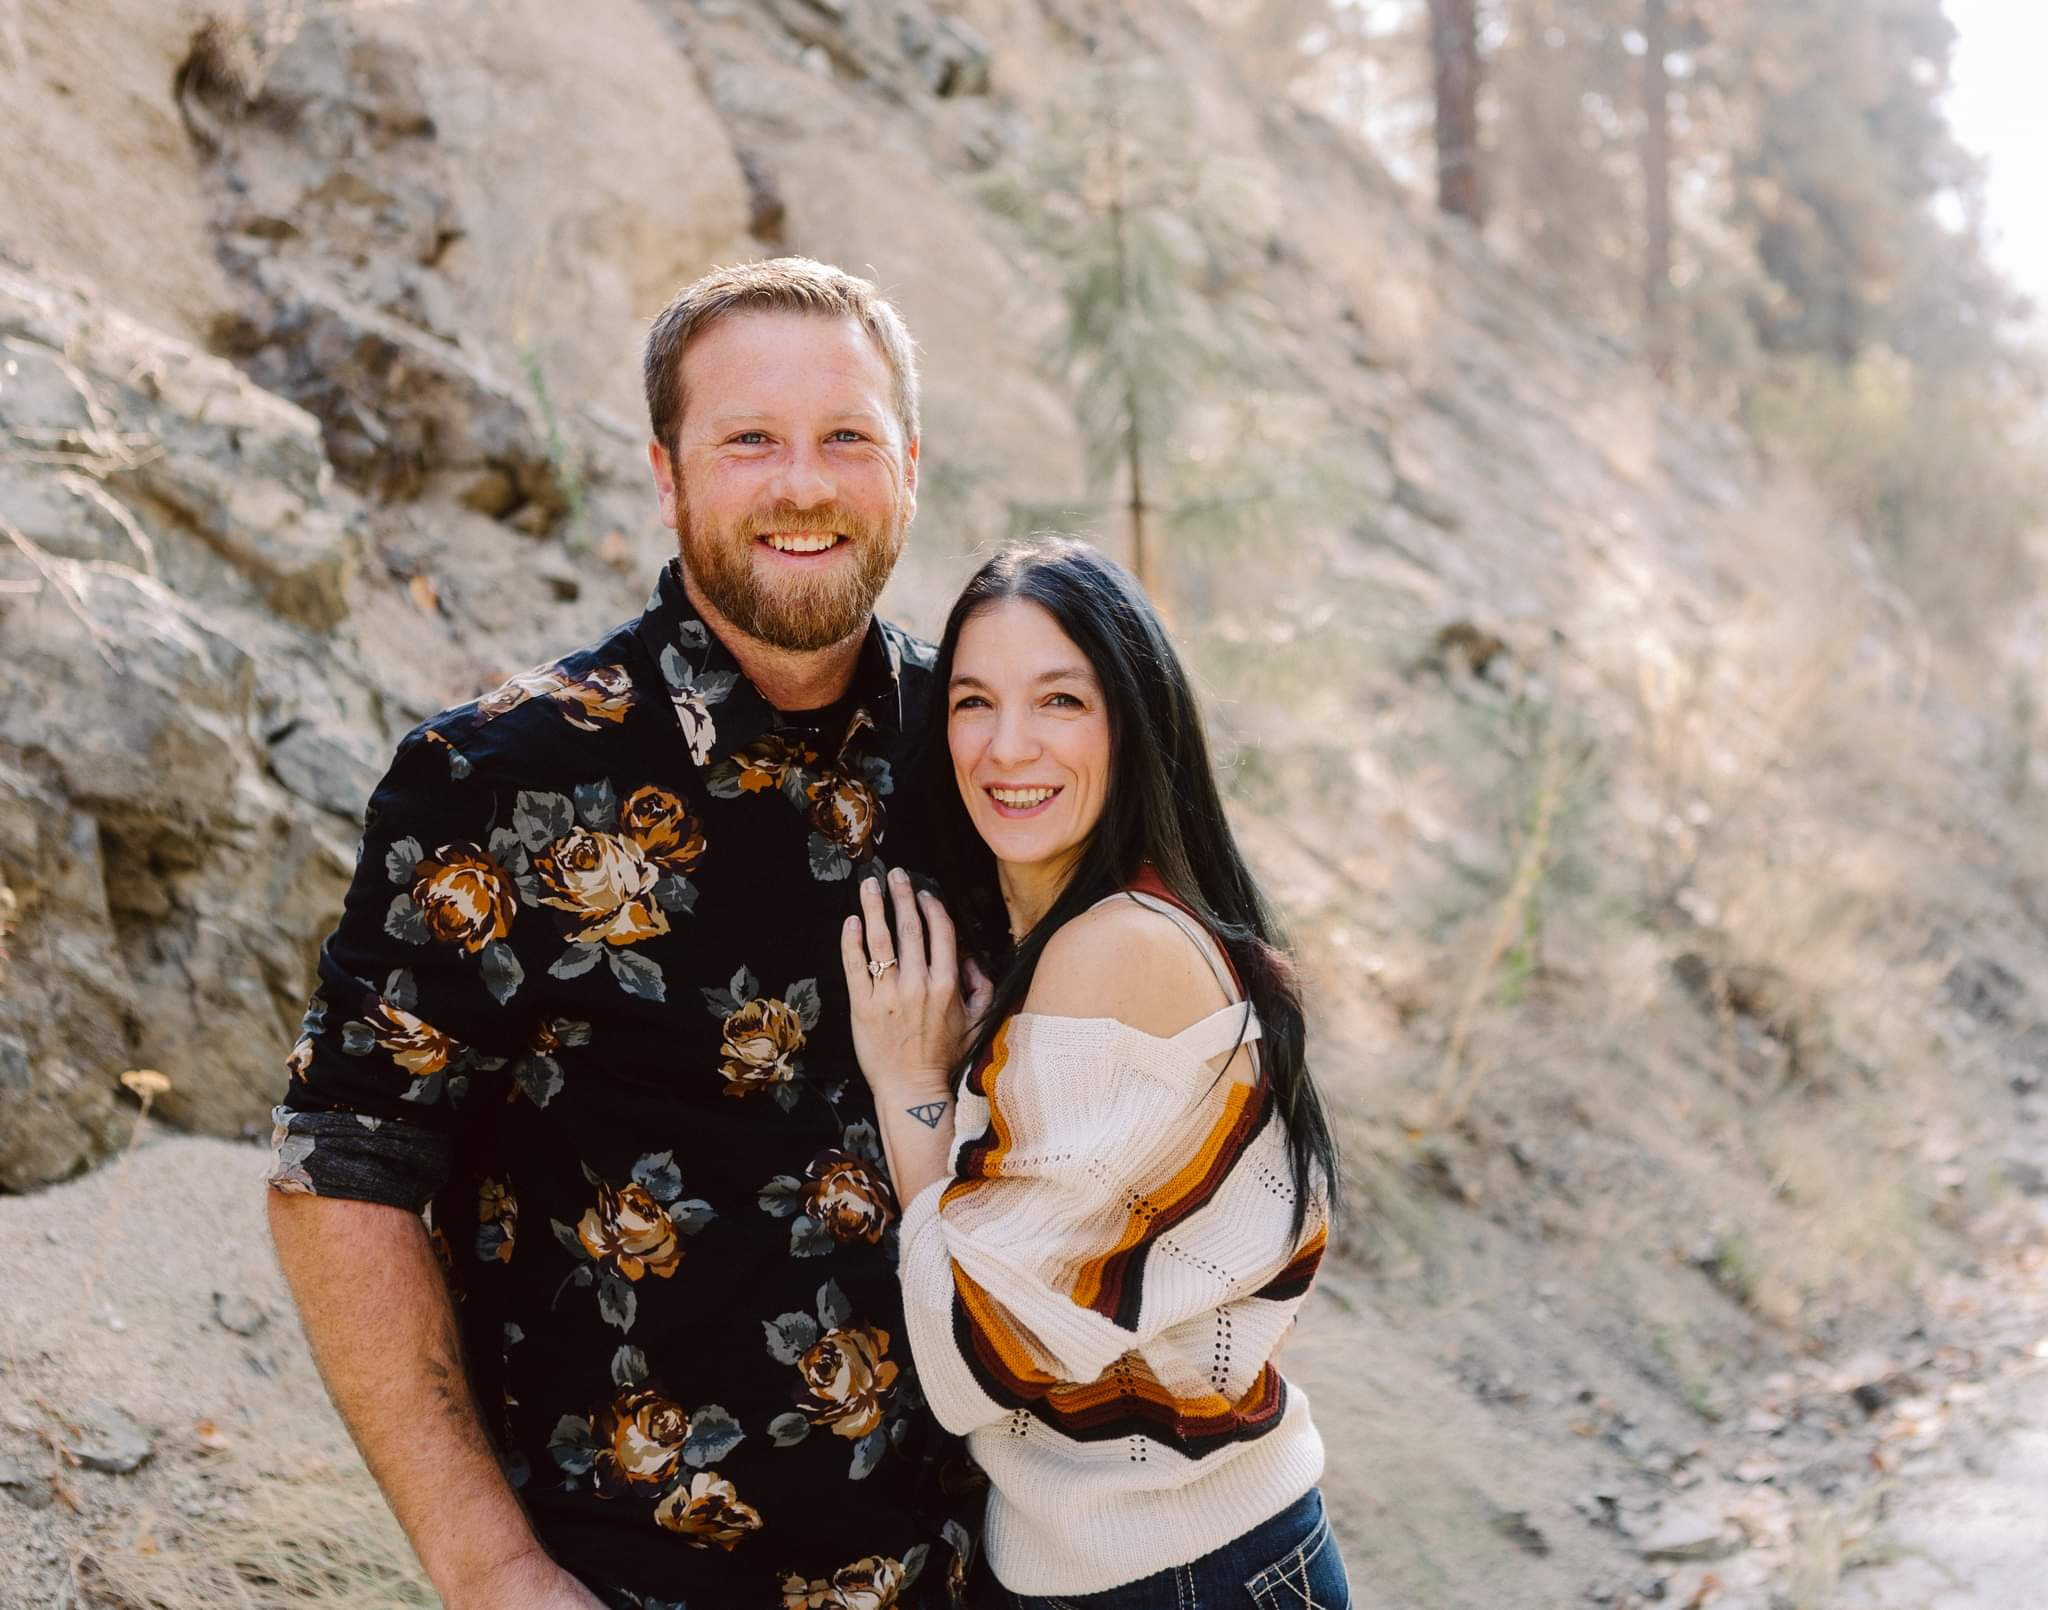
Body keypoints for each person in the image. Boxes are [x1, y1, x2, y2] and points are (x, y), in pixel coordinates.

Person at [266, 257, 981, 1610]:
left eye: (847, 436)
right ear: (666, 474)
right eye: (749, 440)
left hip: (977, 1575)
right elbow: (340, 1171)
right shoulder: (495, 780)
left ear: (909, 467)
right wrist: (487, 1566)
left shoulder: (992, 760)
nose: (804, 484)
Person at [840, 538, 1351, 1609]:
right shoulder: (1100, 930)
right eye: (972, 702)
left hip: (1182, 1573)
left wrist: (910, 1082)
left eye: (1059, 700)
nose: (1006, 746)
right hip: (1176, 1558)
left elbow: (976, 1353)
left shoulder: (1114, 949)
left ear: (1133, 719)